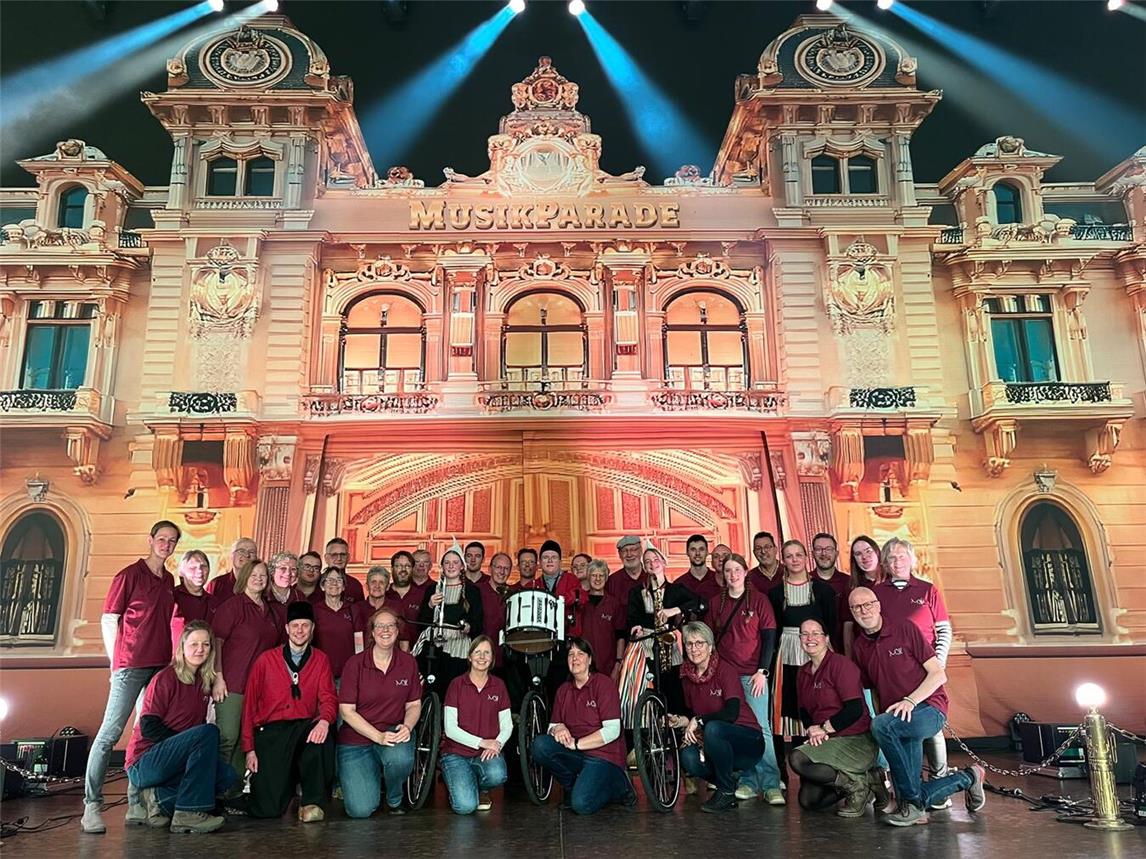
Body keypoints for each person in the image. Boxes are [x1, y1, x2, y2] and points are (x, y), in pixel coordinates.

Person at [849, 587, 985, 826]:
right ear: (852, 612)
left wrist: (909, 701)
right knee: (908, 797)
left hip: (928, 708)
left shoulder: (905, 628)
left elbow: (938, 675)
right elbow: (876, 691)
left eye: (868, 604)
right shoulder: (860, 646)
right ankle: (969, 777)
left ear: (879, 605)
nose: (864, 610)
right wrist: (889, 720)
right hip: (899, 719)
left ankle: (913, 803)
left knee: (879, 725)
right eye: (857, 607)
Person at [82, 520, 180, 835]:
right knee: (110, 733)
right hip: (129, 666)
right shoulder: (129, 575)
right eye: (162, 539)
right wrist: (116, 664)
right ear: (151, 540)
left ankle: (138, 802)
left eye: (172, 540)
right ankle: (91, 805)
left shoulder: (169, 580)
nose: (166, 544)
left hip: (158, 667)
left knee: (146, 736)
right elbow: (110, 618)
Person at [124, 621, 236, 833]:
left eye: (205, 644)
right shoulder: (165, 678)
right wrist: (188, 748)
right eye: (194, 644)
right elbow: (149, 727)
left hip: (174, 761)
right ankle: (187, 814)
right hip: (145, 762)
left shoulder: (202, 683)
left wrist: (191, 751)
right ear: (182, 648)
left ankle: (157, 799)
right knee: (208, 733)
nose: (200, 649)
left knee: (226, 776)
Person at [874, 538, 954, 811]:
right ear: (885, 563)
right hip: (896, 671)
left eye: (901, 557)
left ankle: (940, 784)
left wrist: (938, 664)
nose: (896, 562)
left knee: (932, 732)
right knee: (902, 730)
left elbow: (943, 630)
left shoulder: (927, 590)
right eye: (891, 558)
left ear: (911, 559)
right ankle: (909, 793)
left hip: (928, 669)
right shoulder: (877, 593)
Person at [241, 601, 337, 821]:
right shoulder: (266, 660)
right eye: (295, 626)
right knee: (267, 810)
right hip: (272, 732)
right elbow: (249, 707)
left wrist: (324, 720)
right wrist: (249, 749)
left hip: (304, 727)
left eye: (305, 625)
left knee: (321, 739)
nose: (300, 630)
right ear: (286, 629)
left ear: (312, 629)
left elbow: (329, 698)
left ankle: (312, 802)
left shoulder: (320, 660)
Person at [704, 552, 783, 805]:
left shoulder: (759, 600)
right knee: (737, 728)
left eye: (736, 570)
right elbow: (709, 638)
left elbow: (769, 637)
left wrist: (763, 671)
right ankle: (748, 780)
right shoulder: (717, 603)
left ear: (745, 572)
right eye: (727, 570)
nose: (732, 575)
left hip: (753, 675)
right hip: (727, 677)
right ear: (722, 574)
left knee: (762, 728)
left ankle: (771, 783)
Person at [789, 617, 883, 818]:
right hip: (827, 742)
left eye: (816, 633)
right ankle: (868, 780)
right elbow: (804, 712)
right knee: (809, 802)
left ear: (826, 638)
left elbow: (855, 709)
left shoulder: (841, 665)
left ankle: (856, 785)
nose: (810, 638)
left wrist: (823, 729)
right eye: (804, 634)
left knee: (797, 758)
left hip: (856, 740)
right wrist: (813, 731)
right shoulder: (803, 672)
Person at [531, 638, 636, 815]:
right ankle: (575, 786)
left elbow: (612, 730)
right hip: (577, 754)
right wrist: (558, 728)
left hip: (604, 756)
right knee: (540, 745)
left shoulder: (604, 685)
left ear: (590, 659)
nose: (575, 658)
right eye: (571, 654)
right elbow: (552, 726)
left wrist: (578, 744)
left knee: (581, 805)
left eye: (580, 654)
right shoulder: (563, 690)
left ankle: (621, 787)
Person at [671, 621, 766, 813]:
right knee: (688, 756)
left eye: (700, 643)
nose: (694, 648)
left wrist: (698, 721)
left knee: (713, 727)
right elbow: (692, 713)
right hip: (717, 744)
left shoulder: (725, 670)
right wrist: (681, 720)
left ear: (710, 646)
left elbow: (731, 714)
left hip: (749, 741)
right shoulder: (687, 676)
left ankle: (725, 792)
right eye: (689, 644)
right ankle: (728, 785)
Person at [338, 606, 423, 818]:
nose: (385, 630)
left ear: (397, 630)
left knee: (401, 758)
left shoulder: (408, 662)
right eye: (380, 626)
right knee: (360, 811)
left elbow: (413, 705)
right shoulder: (355, 664)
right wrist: (378, 737)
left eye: (390, 625)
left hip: (393, 731)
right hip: (356, 740)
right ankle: (371, 772)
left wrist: (408, 726)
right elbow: (347, 711)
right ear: (373, 632)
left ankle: (394, 796)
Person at [767, 539, 838, 786]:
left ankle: (817, 770)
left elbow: (832, 625)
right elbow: (772, 628)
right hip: (786, 653)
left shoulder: (823, 590)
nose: (794, 559)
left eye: (799, 554)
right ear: (783, 560)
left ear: (806, 557)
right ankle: (781, 772)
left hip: (817, 652)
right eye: (789, 556)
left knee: (815, 704)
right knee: (785, 709)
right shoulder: (775, 593)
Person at [211, 559, 281, 781]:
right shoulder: (233, 606)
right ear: (244, 578)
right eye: (254, 575)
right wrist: (218, 678)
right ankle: (216, 791)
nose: (259, 579)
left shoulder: (269, 611)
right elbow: (216, 643)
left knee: (246, 738)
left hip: (259, 688)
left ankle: (235, 790)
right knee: (228, 737)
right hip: (232, 684)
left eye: (263, 575)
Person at [619, 547, 695, 728]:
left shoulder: (677, 590)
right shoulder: (637, 591)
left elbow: (700, 603)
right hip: (646, 644)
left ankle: (674, 728)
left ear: (663, 562)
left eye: (655, 559)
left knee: (672, 686)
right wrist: (635, 627)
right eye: (647, 561)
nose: (652, 563)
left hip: (669, 644)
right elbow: (632, 617)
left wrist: (675, 610)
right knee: (644, 685)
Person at [441, 636, 512, 814]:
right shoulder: (456, 685)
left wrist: (497, 744)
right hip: (456, 754)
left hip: (485, 754)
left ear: (492, 658)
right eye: (477, 652)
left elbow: (507, 725)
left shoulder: (499, 685)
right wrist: (482, 742)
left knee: (498, 774)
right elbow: (450, 729)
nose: (482, 657)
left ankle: (481, 789)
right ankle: (463, 783)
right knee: (465, 807)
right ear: (470, 657)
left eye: (486, 653)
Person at [416, 548, 483, 691]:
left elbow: (478, 623)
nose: (451, 566)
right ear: (442, 566)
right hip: (433, 647)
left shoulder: (472, 591)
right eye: (447, 562)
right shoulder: (431, 589)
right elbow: (421, 622)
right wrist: (429, 605)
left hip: (458, 647)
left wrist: (468, 627)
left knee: (454, 688)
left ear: (462, 566)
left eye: (455, 562)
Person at [525, 540, 586, 637]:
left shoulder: (572, 579)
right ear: (540, 562)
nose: (550, 561)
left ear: (560, 562)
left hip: (568, 638)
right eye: (545, 557)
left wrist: (562, 599)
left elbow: (582, 601)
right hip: (540, 639)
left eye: (554, 557)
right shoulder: (530, 586)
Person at [580, 559, 626, 681]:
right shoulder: (580, 602)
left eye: (601, 575)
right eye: (594, 575)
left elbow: (620, 636)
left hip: (608, 666)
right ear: (588, 577)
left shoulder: (614, 604)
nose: (598, 579)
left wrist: (618, 664)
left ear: (606, 578)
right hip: (582, 665)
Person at [313, 567, 358, 683]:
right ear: (322, 586)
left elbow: (359, 642)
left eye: (339, 580)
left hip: (348, 673)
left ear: (343, 587)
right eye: (330, 580)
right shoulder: (315, 610)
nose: (334, 583)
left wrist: (359, 667)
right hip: (322, 672)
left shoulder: (352, 609)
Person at [171, 549, 218, 654]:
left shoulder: (214, 602)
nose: (200, 571)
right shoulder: (172, 597)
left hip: (206, 661)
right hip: (176, 662)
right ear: (181, 572)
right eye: (193, 568)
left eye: (203, 566)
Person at [810, 533, 850, 652]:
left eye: (829, 549)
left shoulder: (848, 582)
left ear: (836, 553)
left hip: (842, 650)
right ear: (812, 554)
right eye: (819, 549)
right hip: (812, 652)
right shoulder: (805, 582)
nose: (824, 553)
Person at [476, 552, 511, 668]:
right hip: (480, 657)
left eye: (506, 568)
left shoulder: (513, 595)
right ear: (490, 569)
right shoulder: (477, 591)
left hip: (505, 659)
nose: (502, 572)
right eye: (498, 567)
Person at [387, 551, 422, 652]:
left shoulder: (423, 595)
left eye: (407, 566)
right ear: (392, 569)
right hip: (386, 653)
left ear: (413, 569)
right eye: (398, 566)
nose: (403, 570)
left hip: (417, 654)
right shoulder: (384, 595)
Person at [266, 551, 303, 634]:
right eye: (283, 568)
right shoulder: (263, 596)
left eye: (293, 569)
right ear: (272, 571)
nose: (288, 573)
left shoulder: (300, 597)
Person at [679, 534, 721, 605]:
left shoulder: (719, 580)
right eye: (693, 550)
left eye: (701, 549)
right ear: (687, 552)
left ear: (707, 552)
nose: (697, 553)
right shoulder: (679, 584)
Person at [605, 535, 644, 608]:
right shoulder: (612, 581)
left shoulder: (651, 578)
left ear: (641, 551)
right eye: (625, 551)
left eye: (633, 550)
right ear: (619, 554)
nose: (629, 554)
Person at [354, 565, 390, 636]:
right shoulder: (356, 608)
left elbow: (403, 640)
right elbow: (357, 636)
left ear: (388, 587)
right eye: (373, 582)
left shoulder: (396, 608)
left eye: (381, 582)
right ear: (367, 586)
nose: (377, 586)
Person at [324, 537, 365, 602]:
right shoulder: (317, 582)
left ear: (348, 558)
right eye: (334, 555)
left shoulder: (355, 585)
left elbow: (360, 611)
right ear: (326, 558)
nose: (339, 558)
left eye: (343, 555)